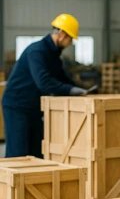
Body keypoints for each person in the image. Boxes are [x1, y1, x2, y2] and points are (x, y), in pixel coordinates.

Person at [2, 14, 88, 158]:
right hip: (17, 107)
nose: (71, 42)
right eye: (70, 38)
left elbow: (62, 77)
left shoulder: (52, 55)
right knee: (18, 154)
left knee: (37, 153)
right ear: (61, 34)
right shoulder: (37, 51)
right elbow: (44, 82)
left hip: (34, 108)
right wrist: (71, 90)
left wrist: (80, 90)